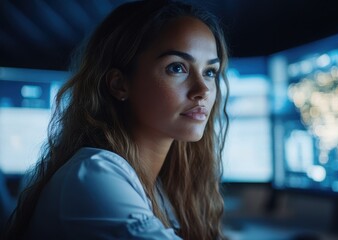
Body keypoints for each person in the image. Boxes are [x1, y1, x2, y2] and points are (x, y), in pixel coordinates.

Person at [3, 0, 229, 239]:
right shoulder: (92, 175)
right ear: (119, 84)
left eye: (210, 72)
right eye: (177, 68)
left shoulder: (160, 188)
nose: (203, 89)